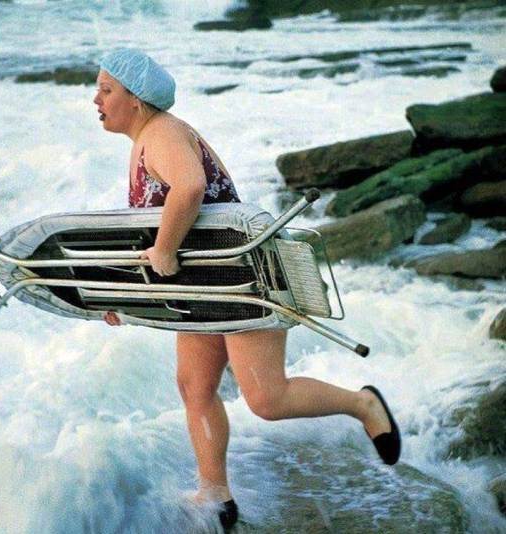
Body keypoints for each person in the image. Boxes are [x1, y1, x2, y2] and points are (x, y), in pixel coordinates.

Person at [94, 49, 401, 532]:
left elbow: (189, 189)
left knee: (266, 398)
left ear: (136, 99)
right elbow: (151, 237)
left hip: (246, 277)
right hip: (206, 285)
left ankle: (364, 403)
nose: (96, 99)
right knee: (194, 386)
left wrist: (165, 251)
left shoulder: (163, 132)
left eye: (106, 89)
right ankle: (215, 493)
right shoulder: (144, 142)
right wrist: (125, 298)